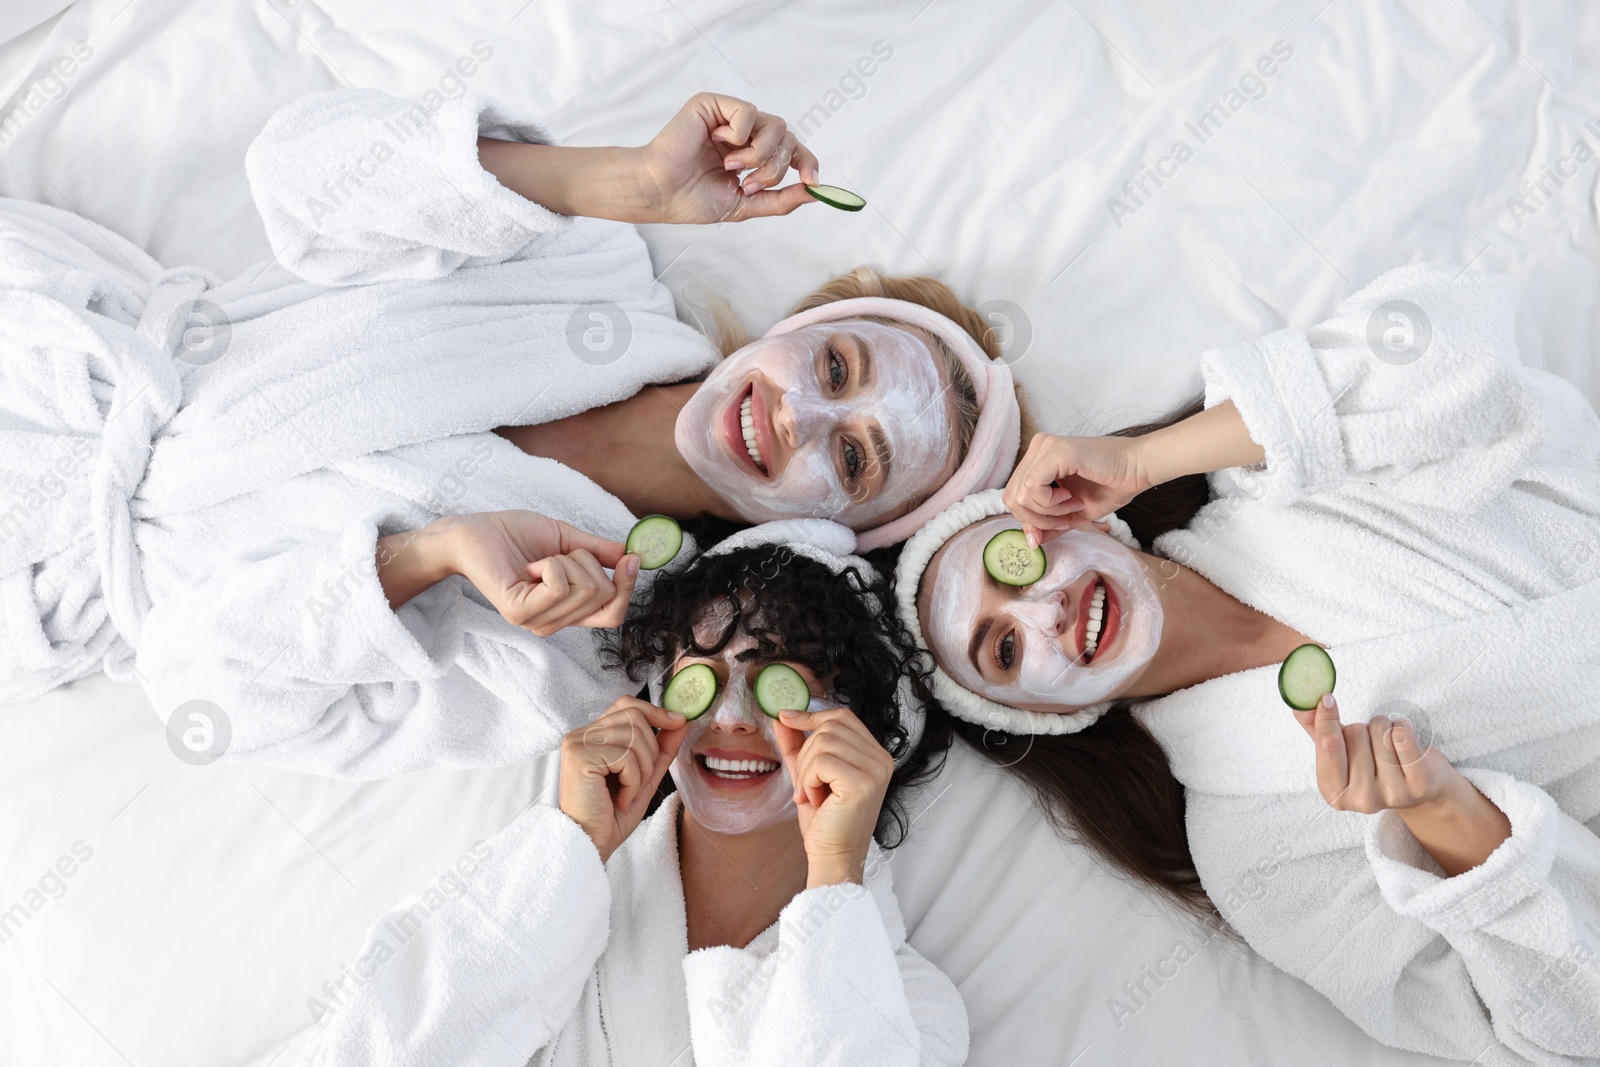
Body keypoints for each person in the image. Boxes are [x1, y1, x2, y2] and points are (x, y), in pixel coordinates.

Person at [0, 85, 1022, 777]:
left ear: (837, 537)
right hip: (49, 354)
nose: (795, 413)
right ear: (801, 326)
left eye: (850, 457)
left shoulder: (592, 644)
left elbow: (209, 698)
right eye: (834, 368)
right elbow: (302, 176)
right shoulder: (587, 265)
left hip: (46, 579)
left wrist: (422, 558)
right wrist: (631, 186)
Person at [893, 264, 1600, 1063]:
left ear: (1084, 521)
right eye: (1006, 648)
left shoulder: (1275, 472)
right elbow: (1569, 1024)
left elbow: (1454, 329)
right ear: (1049, 716)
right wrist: (1445, 817)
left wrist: (1147, 457)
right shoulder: (1251, 848)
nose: (1042, 608)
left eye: (1011, 564)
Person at [292, 524, 967, 1067]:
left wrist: (833, 882)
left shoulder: (909, 1009)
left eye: (778, 681)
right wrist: (568, 845)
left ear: (868, 731)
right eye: (701, 675)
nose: (730, 717)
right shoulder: (540, 896)